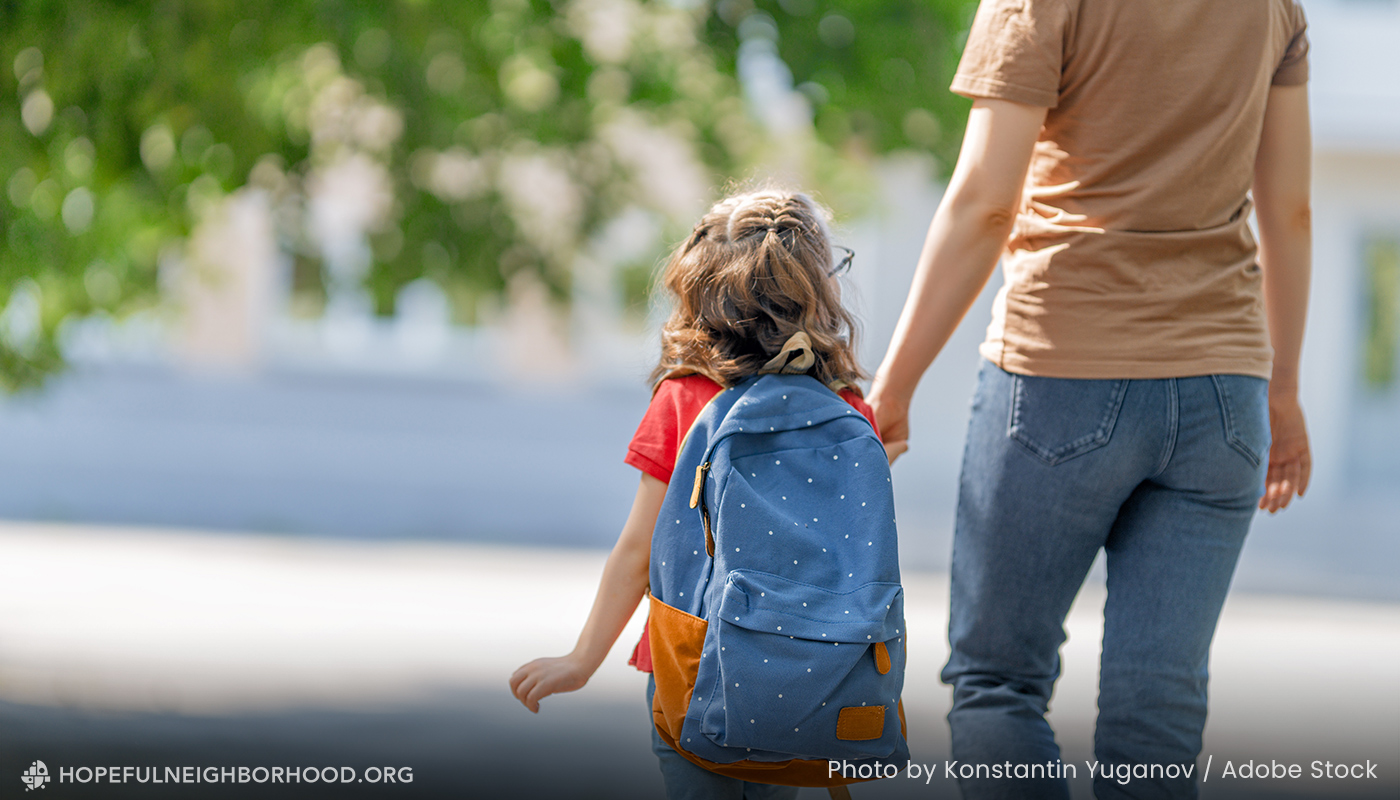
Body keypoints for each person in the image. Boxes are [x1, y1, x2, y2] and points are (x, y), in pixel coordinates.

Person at [866, 2, 1313, 798]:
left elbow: (984, 204)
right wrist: (1283, 392)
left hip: (1059, 376)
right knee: (1157, 720)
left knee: (998, 683)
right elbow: (1291, 212)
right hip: (1225, 395)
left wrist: (893, 387)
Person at [510, 188, 881, 800]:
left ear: (698, 289)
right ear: (817, 290)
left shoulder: (684, 399)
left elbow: (640, 552)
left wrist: (582, 659)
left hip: (689, 665)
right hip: (801, 665)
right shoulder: (845, 408)